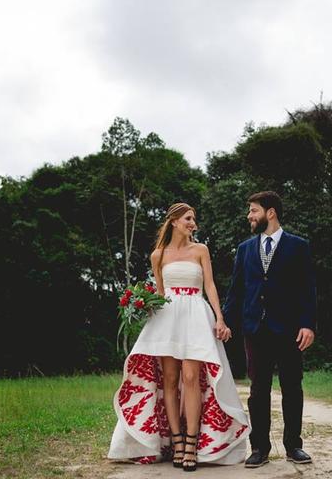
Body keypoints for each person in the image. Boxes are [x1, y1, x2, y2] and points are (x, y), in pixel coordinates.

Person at [107, 202, 250, 472]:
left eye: (193, 219)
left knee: (191, 377)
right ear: (174, 221)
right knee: (170, 380)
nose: (192, 223)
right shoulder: (158, 255)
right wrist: (144, 304)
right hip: (168, 318)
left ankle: (193, 443)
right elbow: (161, 293)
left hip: (196, 313)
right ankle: (177, 441)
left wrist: (220, 318)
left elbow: (209, 285)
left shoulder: (201, 250)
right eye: (188, 218)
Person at [222, 191, 317, 468]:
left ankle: (293, 446)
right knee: (258, 390)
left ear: (270, 212)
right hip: (255, 328)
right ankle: (259, 448)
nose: (249, 216)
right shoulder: (244, 249)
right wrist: (223, 321)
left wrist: (308, 324)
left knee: (292, 388)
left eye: (254, 210)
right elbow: (236, 291)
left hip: (289, 329)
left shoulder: (298, 246)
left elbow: (307, 289)